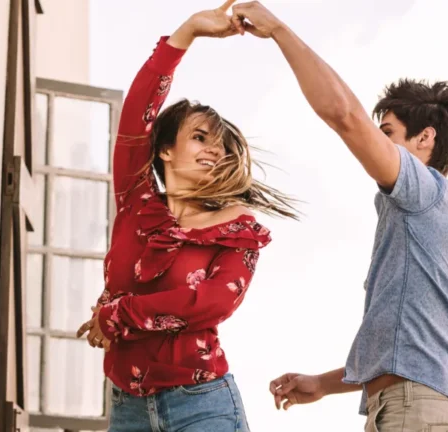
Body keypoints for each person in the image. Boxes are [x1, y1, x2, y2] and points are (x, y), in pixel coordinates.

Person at [229, 2, 448, 431]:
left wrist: (280, 31)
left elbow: (344, 116)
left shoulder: (423, 191)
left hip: (415, 412)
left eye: (386, 135)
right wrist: (325, 384)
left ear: (425, 139)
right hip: (412, 407)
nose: (375, 146)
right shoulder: (437, 225)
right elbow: (409, 344)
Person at [74, 1, 297, 431]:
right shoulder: (137, 203)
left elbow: (210, 303)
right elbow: (138, 110)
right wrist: (188, 32)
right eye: (198, 137)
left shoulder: (238, 228)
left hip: (203, 406)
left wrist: (117, 315)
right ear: (164, 150)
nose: (213, 149)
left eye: (220, 144)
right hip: (127, 409)